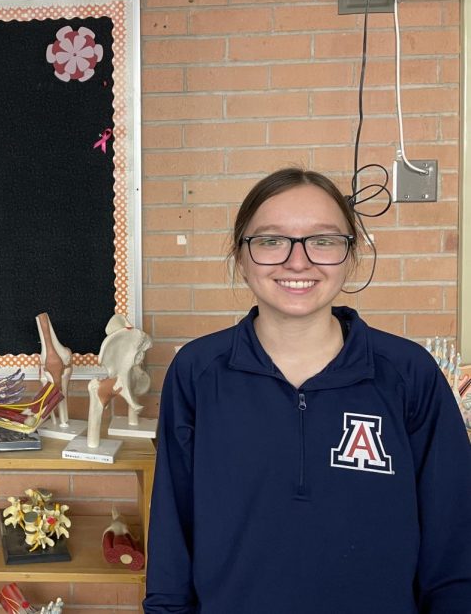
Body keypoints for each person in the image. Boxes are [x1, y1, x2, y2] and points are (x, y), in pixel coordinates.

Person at [144, 168, 471, 613]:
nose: (298, 262)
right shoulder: (198, 373)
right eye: (271, 241)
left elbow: (453, 545)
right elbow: (171, 533)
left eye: (323, 241)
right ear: (241, 256)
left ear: (350, 255)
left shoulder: (408, 374)